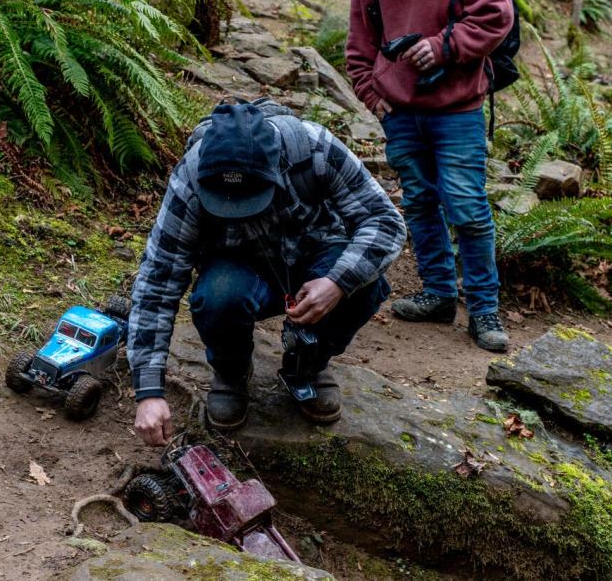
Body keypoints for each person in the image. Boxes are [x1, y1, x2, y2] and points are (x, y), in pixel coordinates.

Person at [127, 100, 406, 446]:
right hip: (240, 269)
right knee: (218, 297)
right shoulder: (190, 179)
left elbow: (385, 221)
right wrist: (148, 390)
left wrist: (337, 282)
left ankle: (309, 363)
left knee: (365, 283)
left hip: (316, 258)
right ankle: (231, 372)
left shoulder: (315, 149)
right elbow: (158, 279)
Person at [345, 0, 515, 353]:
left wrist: (444, 47)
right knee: (418, 204)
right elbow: (360, 37)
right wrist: (371, 92)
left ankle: (484, 310)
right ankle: (439, 294)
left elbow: (496, 17)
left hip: (458, 109)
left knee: (466, 206)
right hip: (400, 112)